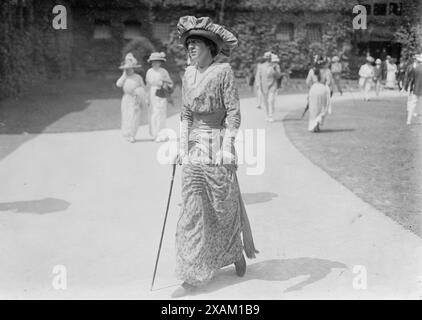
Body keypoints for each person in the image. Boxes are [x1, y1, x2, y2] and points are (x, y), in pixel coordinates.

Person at [172, 15, 258, 297]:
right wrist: (181, 146)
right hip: (196, 145)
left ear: (210, 46)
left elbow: (233, 113)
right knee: (191, 210)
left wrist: (225, 147)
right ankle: (193, 274)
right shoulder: (187, 74)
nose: (190, 48)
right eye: (188, 44)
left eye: (196, 43)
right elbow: (185, 113)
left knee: (223, 206)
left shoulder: (223, 72)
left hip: (219, 144)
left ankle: (234, 251)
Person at [116, 53, 146, 143]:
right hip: (126, 98)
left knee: (134, 116)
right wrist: (124, 75)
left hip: (135, 98)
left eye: (129, 69)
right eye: (126, 69)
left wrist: (141, 98)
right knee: (126, 116)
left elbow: (143, 88)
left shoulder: (137, 77)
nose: (128, 70)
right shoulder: (124, 77)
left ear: (133, 68)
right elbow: (118, 84)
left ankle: (132, 135)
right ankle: (127, 134)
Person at [146, 52, 174, 142]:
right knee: (155, 112)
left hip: (162, 91)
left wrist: (164, 81)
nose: (155, 63)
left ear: (160, 62)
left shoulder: (163, 71)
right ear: (151, 62)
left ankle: (162, 134)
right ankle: (156, 134)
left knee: (162, 112)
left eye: (157, 61)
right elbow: (148, 84)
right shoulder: (150, 71)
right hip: (153, 92)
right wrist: (147, 97)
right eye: (153, 62)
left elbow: (170, 82)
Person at [257, 51, 281, 122]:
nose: (268, 59)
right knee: (265, 101)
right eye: (267, 58)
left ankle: (271, 115)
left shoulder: (275, 66)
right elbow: (258, 76)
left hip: (273, 84)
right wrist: (258, 84)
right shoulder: (261, 66)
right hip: (264, 85)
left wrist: (275, 71)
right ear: (265, 58)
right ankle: (267, 115)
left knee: (271, 100)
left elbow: (278, 76)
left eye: (269, 58)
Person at [404, 53, 422, 125]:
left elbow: (412, 80)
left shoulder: (415, 69)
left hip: (416, 89)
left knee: (412, 105)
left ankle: (409, 120)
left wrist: (409, 88)